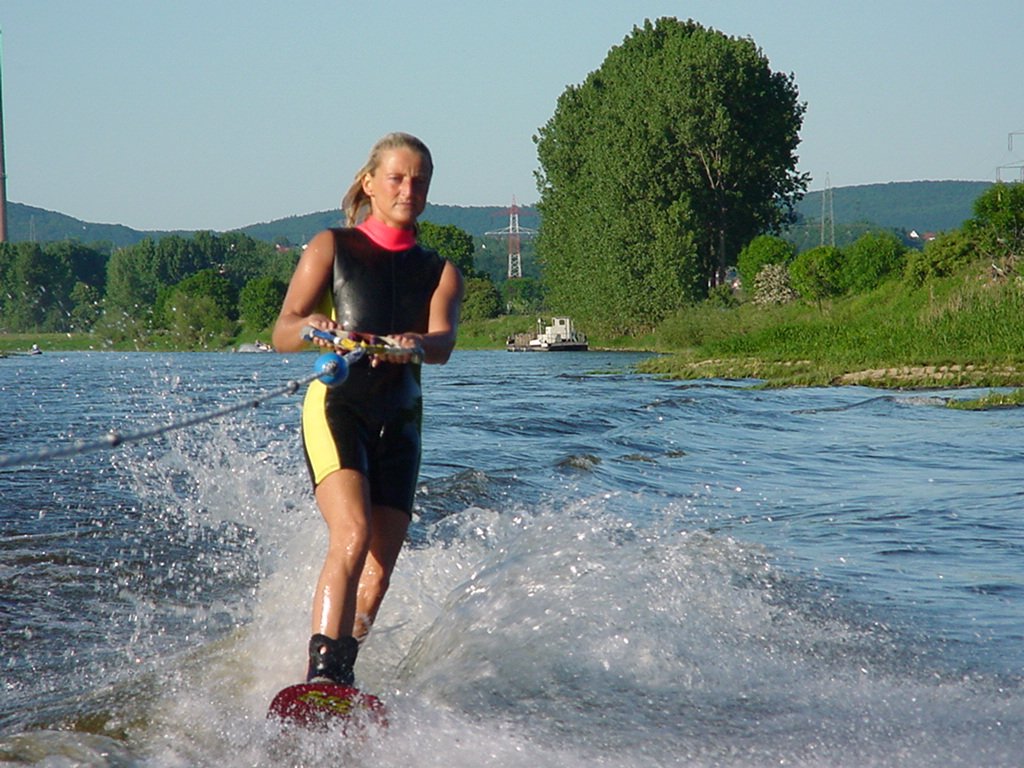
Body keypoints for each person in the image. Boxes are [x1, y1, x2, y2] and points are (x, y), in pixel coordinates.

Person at [272, 132, 463, 685]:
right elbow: (283, 330)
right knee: (352, 534)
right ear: (370, 183)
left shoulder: (441, 271)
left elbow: (444, 344)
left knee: (378, 574)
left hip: (401, 419)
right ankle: (320, 676)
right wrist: (310, 326)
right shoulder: (331, 247)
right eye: (397, 178)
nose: (408, 189)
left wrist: (416, 343)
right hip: (339, 407)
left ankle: (344, 680)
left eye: (419, 181)